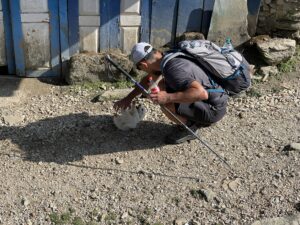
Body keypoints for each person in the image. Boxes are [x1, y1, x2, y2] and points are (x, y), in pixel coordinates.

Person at [113, 42, 228, 144]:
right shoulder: (168, 57)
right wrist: (129, 97)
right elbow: (148, 79)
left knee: (165, 105)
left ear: (144, 65)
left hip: (214, 108)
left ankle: (191, 129)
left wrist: (167, 97)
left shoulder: (172, 70)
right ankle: (196, 118)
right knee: (162, 85)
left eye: (139, 68)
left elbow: (201, 93)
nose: (142, 70)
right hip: (218, 97)